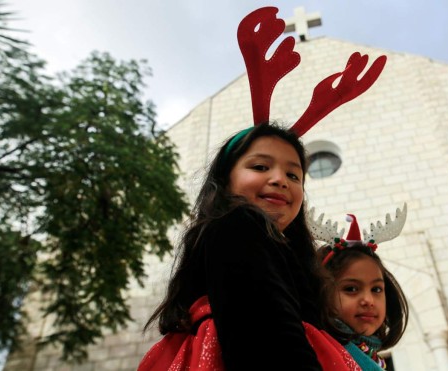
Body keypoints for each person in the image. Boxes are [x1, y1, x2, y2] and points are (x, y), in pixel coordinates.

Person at [139, 6, 388, 370]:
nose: (279, 180)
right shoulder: (239, 226)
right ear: (225, 181)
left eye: (294, 175)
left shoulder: (285, 251)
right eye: (260, 166)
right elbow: (267, 339)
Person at [312, 212, 409, 371]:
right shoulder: (318, 350)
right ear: (323, 293)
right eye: (351, 289)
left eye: (376, 289)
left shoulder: (372, 357)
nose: (368, 300)